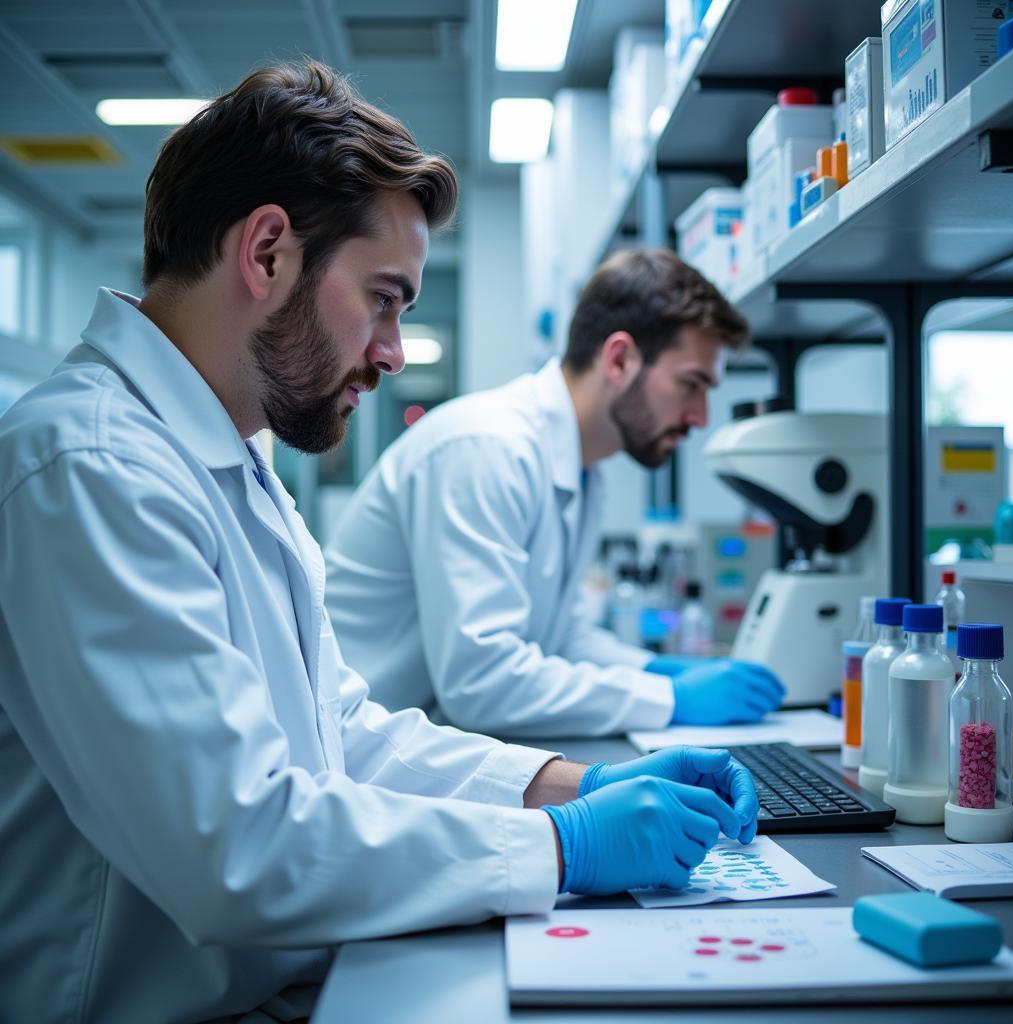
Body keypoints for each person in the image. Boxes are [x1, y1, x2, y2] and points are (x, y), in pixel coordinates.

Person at [0, 63, 759, 1024]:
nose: (395, 351)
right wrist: (564, 845)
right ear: (267, 252)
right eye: (385, 297)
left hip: (283, 977)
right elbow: (236, 849)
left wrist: (572, 783)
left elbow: (342, 737)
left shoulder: (226, 463)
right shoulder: (92, 468)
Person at [322, 248, 786, 738]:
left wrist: (655, 670)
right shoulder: (487, 448)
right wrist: (670, 699)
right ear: (621, 359)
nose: (701, 417)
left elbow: (562, 636)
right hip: (356, 759)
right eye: (692, 384)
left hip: (419, 750)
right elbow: (483, 684)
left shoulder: (580, 473)